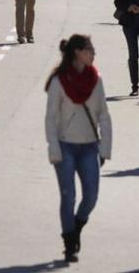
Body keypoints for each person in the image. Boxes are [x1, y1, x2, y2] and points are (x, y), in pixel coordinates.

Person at [45, 34, 112, 263]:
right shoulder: (59, 81)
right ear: (77, 52)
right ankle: (69, 243)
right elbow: (51, 118)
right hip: (66, 146)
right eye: (89, 50)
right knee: (68, 195)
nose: (93, 54)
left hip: (90, 147)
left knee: (91, 196)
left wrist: (105, 148)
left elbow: (104, 114)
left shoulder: (96, 79)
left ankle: (77, 226)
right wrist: (53, 148)